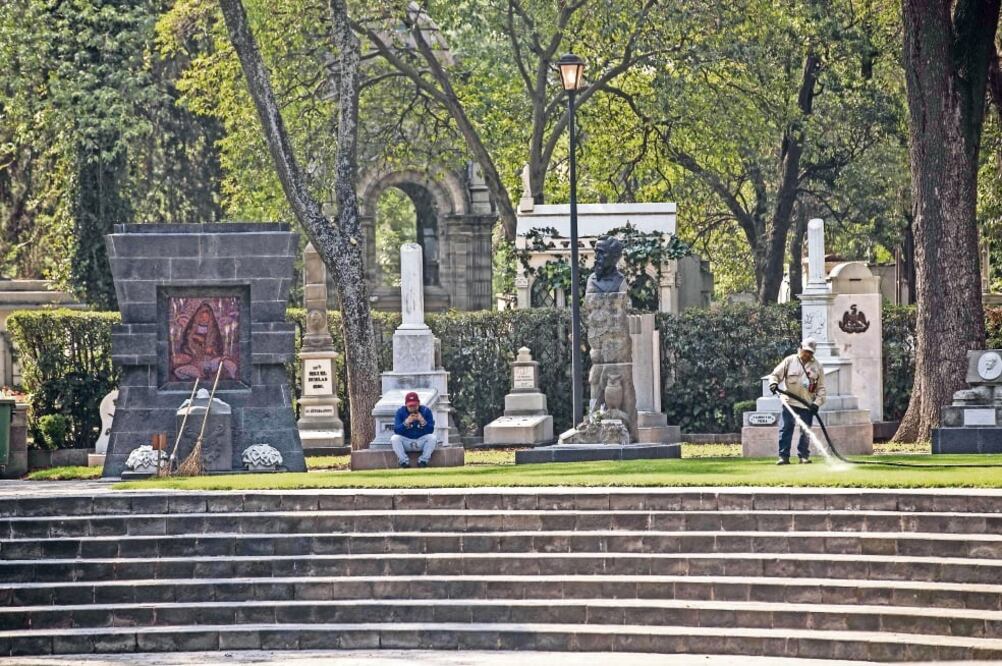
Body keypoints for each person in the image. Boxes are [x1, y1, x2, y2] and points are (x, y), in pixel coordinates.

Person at [768, 338, 826, 465]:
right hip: (789, 403)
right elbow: (774, 375)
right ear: (800, 348)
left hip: (807, 404)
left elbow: (821, 388)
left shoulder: (817, 367)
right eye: (806, 351)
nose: (807, 354)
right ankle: (783, 457)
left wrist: (817, 403)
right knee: (786, 429)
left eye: (810, 352)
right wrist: (773, 383)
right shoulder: (789, 361)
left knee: (805, 431)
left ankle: (803, 456)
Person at [390, 391, 437, 468]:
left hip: (421, 441)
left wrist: (422, 420)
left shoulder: (426, 411)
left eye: (415, 406)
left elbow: (430, 430)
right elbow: (396, 430)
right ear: (406, 405)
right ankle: (404, 462)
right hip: (406, 441)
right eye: (410, 406)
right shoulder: (400, 412)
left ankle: (423, 461)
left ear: (419, 403)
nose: (412, 408)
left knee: (432, 438)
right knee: (394, 438)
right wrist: (406, 422)